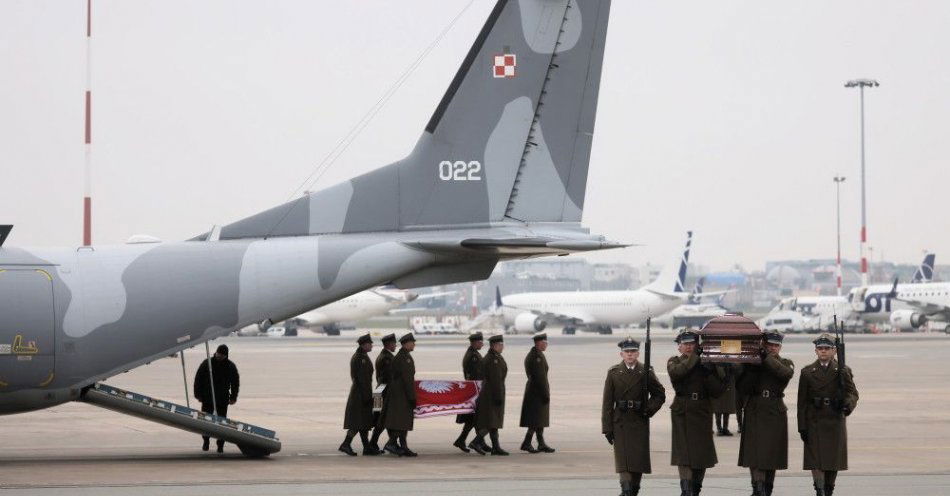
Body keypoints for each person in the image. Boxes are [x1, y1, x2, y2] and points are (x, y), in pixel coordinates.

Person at [602, 338, 666, 496]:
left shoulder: (645, 371)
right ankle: (626, 490)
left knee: (637, 463)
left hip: (639, 420)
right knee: (623, 462)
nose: (630, 355)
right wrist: (607, 428)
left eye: (633, 351)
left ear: (638, 353)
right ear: (621, 354)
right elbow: (607, 403)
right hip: (620, 422)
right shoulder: (614, 373)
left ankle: (633, 490)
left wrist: (648, 409)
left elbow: (659, 394)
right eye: (627, 352)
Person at [798, 333, 859, 496]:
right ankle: (819, 490)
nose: (823, 351)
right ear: (816, 351)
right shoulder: (807, 372)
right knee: (815, 461)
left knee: (832, 462)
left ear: (834, 351)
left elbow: (853, 393)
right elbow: (801, 403)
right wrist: (802, 427)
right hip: (814, 421)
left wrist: (848, 405)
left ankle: (828, 490)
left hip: (834, 419)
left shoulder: (843, 370)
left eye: (827, 348)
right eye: (820, 348)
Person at [668, 329, 727, 495]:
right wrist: (696, 358)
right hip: (683, 410)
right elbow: (678, 374)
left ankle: (695, 488)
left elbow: (717, 391)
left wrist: (713, 371)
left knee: (701, 454)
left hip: (702, 410)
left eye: (692, 344)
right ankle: (686, 490)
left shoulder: (705, 364)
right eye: (685, 344)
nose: (689, 347)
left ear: (697, 345)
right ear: (679, 347)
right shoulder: (674, 361)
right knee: (684, 454)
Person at [736, 331, 795, 496]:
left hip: (774, 411)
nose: (773, 348)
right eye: (769, 345)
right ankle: (758, 488)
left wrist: (765, 358)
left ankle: (767, 489)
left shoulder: (785, 363)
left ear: (780, 347)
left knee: (771, 456)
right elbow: (742, 388)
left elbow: (784, 374)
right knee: (754, 455)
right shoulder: (754, 364)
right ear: (764, 345)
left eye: (776, 346)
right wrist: (752, 365)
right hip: (755, 409)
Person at [193, 344, 240, 453]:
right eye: (218, 354)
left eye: (222, 355)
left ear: (225, 355)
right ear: (216, 352)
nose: (219, 356)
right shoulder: (207, 363)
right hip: (207, 397)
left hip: (222, 399)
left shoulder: (230, 366)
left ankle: (220, 445)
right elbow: (198, 379)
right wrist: (198, 394)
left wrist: (233, 397)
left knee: (222, 422)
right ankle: (206, 440)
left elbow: (235, 383)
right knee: (206, 420)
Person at [339, 334, 380, 456]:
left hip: (362, 394)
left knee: (364, 423)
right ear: (364, 345)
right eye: (370, 343)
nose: (371, 345)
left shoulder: (362, 356)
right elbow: (362, 381)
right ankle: (346, 444)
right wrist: (367, 397)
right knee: (357, 422)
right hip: (360, 395)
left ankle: (366, 447)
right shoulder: (360, 358)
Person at [470, 334, 508, 455]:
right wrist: (498, 396)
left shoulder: (493, 356)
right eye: (501, 345)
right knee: (491, 422)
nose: (503, 347)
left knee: (493, 422)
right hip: (492, 394)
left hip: (490, 393)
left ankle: (496, 447)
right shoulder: (493, 360)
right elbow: (496, 379)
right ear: (496, 345)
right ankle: (476, 442)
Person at [383, 333, 417, 457]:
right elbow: (407, 380)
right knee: (400, 422)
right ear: (406, 344)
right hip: (399, 395)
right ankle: (390, 443)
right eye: (412, 342)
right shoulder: (404, 358)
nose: (414, 344)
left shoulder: (401, 356)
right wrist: (412, 397)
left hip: (395, 393)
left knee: (403, 421)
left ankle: (403, 447)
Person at [520, 333, 554, 453]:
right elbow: (540, 378)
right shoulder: (536, 357)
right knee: (535, 420)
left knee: (539, 419)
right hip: (537, 393)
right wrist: (545, 393)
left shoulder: (536, 354)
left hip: (535, 391)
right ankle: (527, 443)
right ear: (539, 343)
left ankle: (541, 443)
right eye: (545, 343)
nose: (546, 345)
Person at [453, 332, 484, 453]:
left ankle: (465, 440)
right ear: (475, 342)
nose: (482, 343)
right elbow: (477, 375)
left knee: (472, 419)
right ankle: (477, 442)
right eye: (480, 342)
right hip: (474, 391)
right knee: (475, 418)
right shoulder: (473, 356)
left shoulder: (473, 353)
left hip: (473, 390)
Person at [369, 333, 397, 452]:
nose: (395, 346)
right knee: (382, 419)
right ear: (389, 344)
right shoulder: (386, 358)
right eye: (394, 343)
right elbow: (388, 378)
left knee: (382, 419)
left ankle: (390, 443)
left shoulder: (385, 356)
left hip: (379, 390)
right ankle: (375, 444)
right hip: (383, 392)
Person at [712, 363, 739, 436]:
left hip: (729, 386)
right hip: (719, 386)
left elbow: (737, 370)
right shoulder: (717, 362)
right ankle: (719, 428)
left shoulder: (731, 362)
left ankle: (725, 428)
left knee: (727, 408)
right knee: (718, 410)